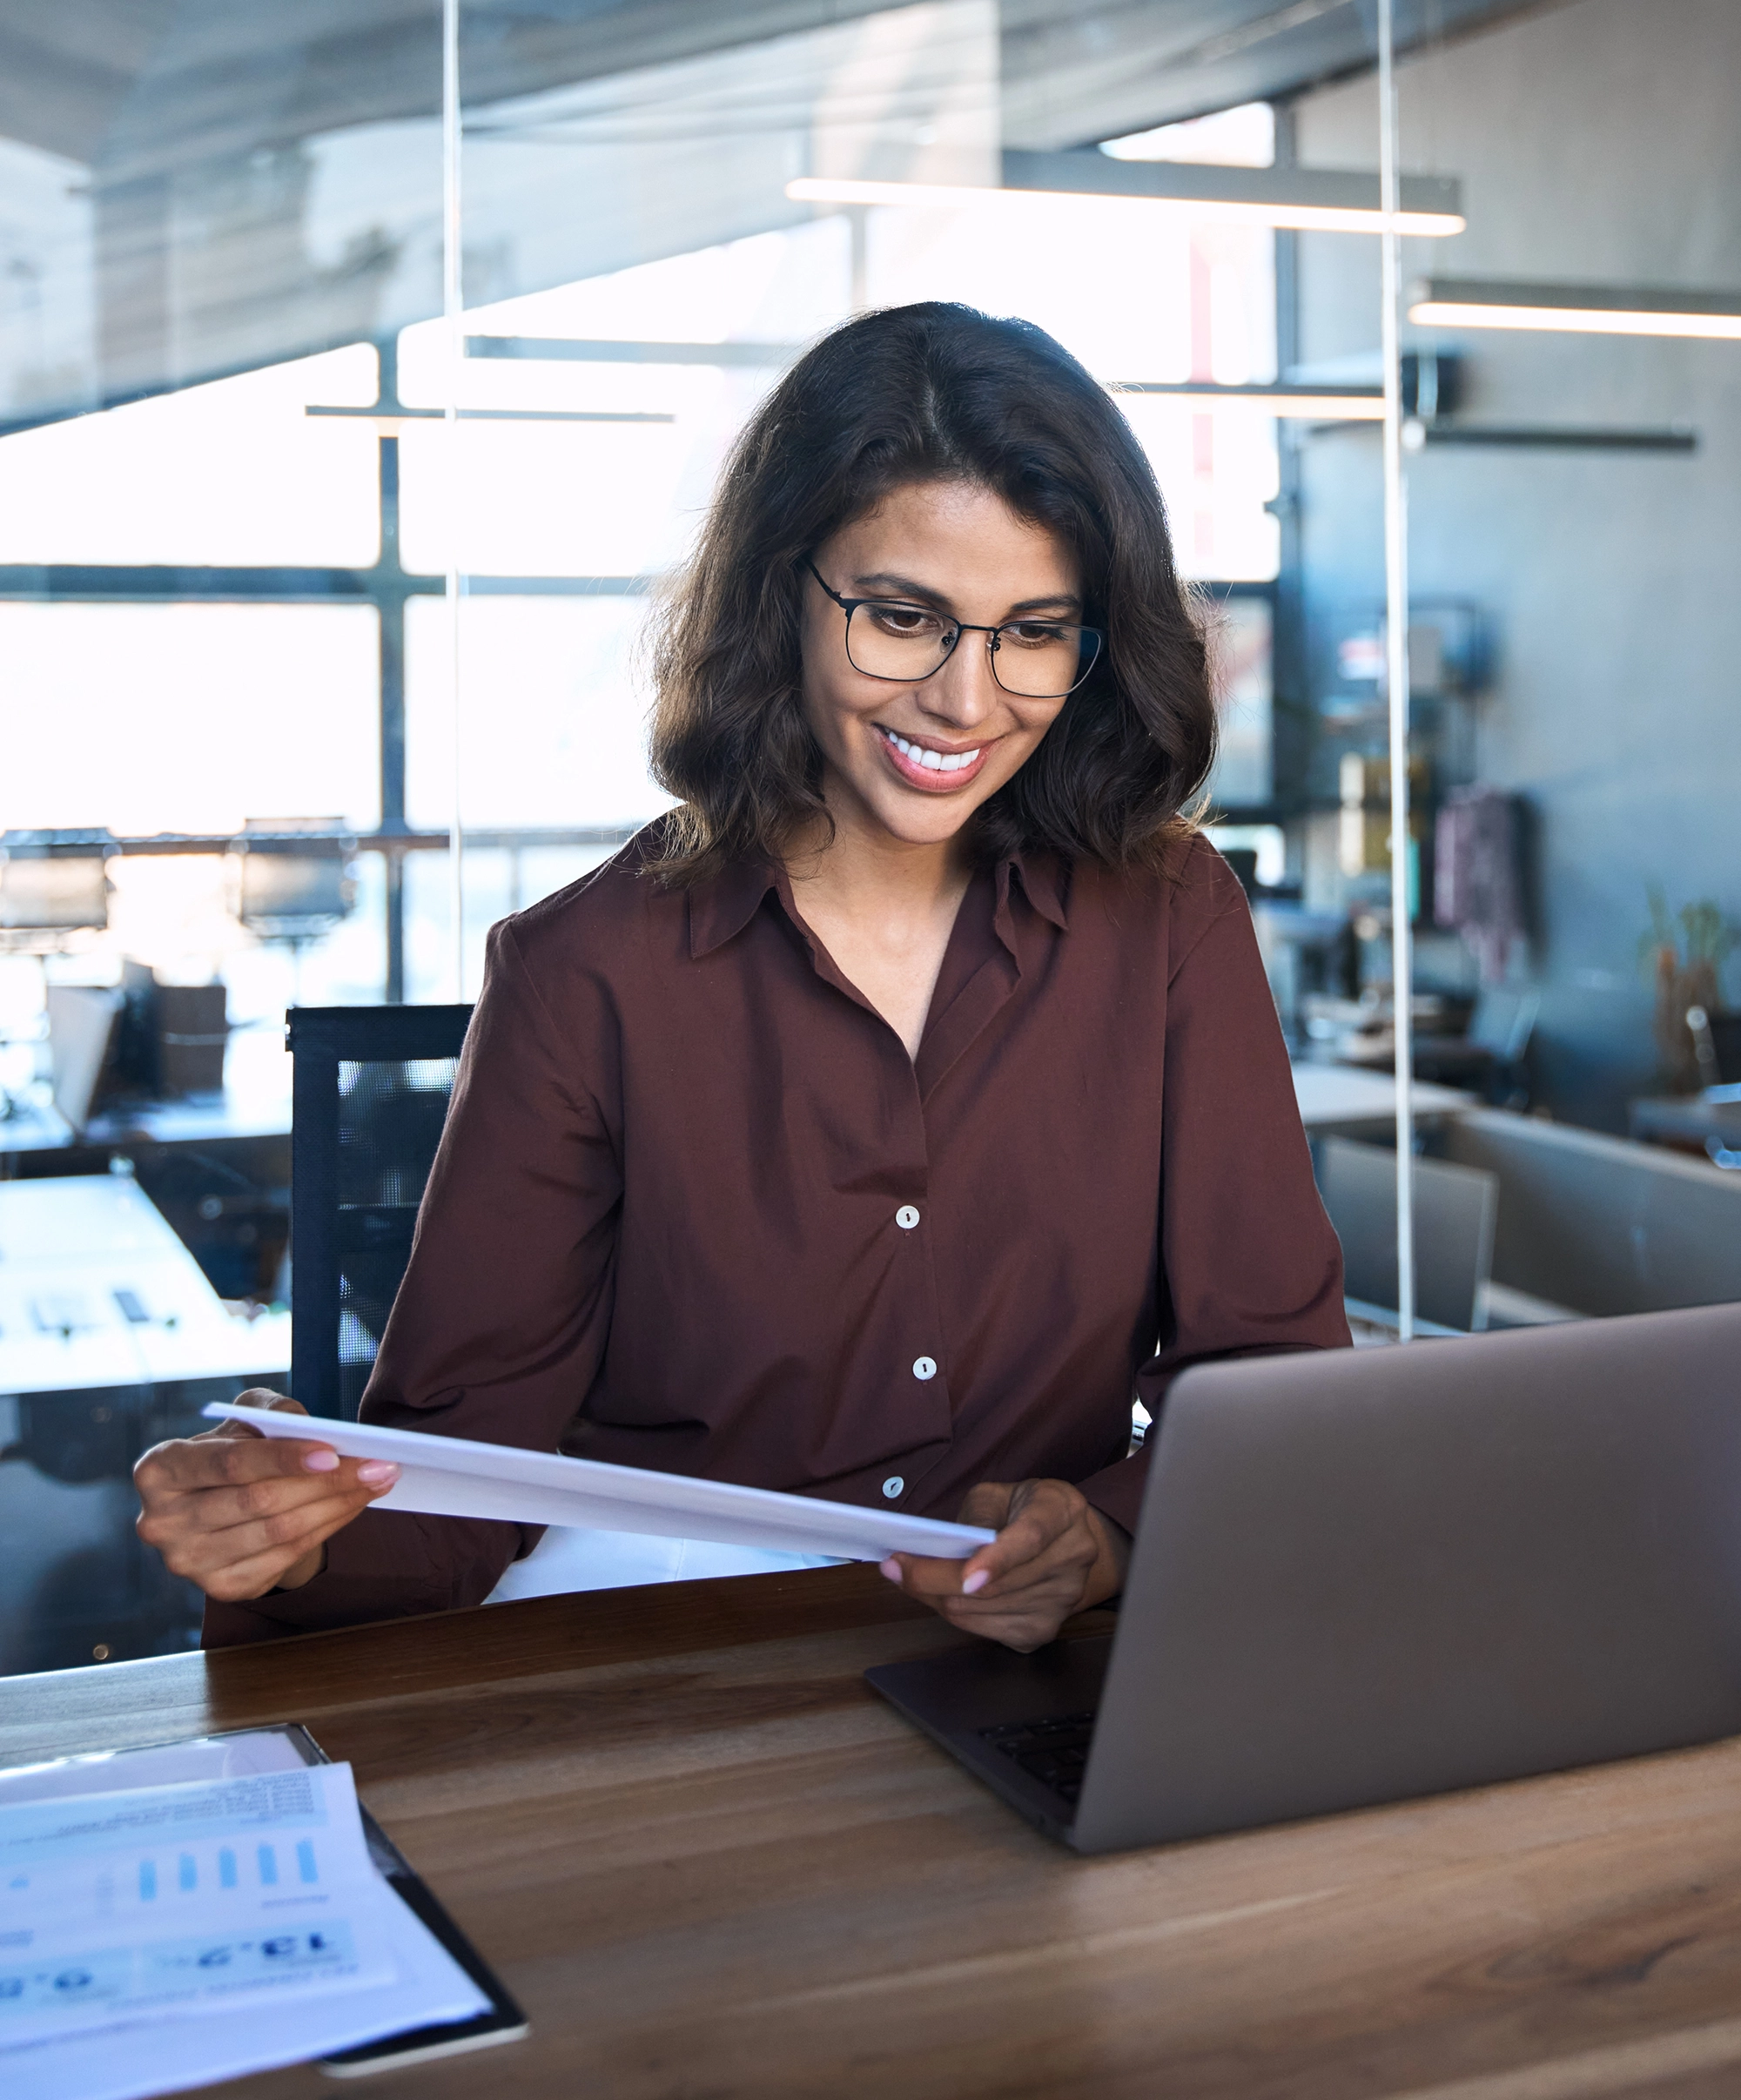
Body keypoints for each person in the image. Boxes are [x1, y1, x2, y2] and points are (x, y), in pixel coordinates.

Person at [135, 302, 1348, 1654]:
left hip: (1030, 1688)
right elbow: (461, 1480)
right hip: (683, 1681)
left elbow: (1273, 1381)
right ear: (783, 591)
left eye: (1035, 632)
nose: (966, 698)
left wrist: (1109, 1533)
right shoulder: (580, 976)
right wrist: (276, 1522)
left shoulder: (1169, 918)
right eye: (902, 617)